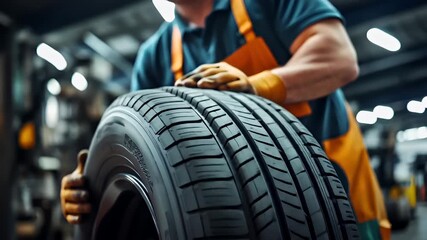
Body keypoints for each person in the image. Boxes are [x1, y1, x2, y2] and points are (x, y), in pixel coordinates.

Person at [60, 0, 390, 238]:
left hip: (331, 197)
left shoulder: (268, 6)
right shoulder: (155, 54)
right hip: (236, 217)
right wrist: (92, 183)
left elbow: (340, 58)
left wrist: (260, 85)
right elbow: (133, 143)